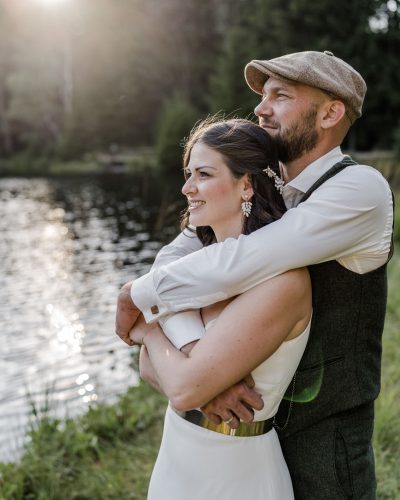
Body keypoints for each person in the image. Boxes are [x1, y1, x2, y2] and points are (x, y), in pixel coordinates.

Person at [116, 51, 394, 499]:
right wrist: (200, 365)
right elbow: (173, 263)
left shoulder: (358, 189)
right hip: (249, 429)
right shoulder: (265, 189)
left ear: (330, 112)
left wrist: (141, 297)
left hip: (324, 436)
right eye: (262, 97)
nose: (261, 109)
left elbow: (246, 259)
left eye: (280, 96)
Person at [128, 117, 312, 499]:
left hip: (238, 470)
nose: (186, 188)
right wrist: (203, 387)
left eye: (203, 174)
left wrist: (148, 330)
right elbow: (148, 365)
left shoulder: (284, 282)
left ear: (246, 185)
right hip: (176, 457)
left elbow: (180, 387)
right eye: (188, 173)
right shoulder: (197, 266)